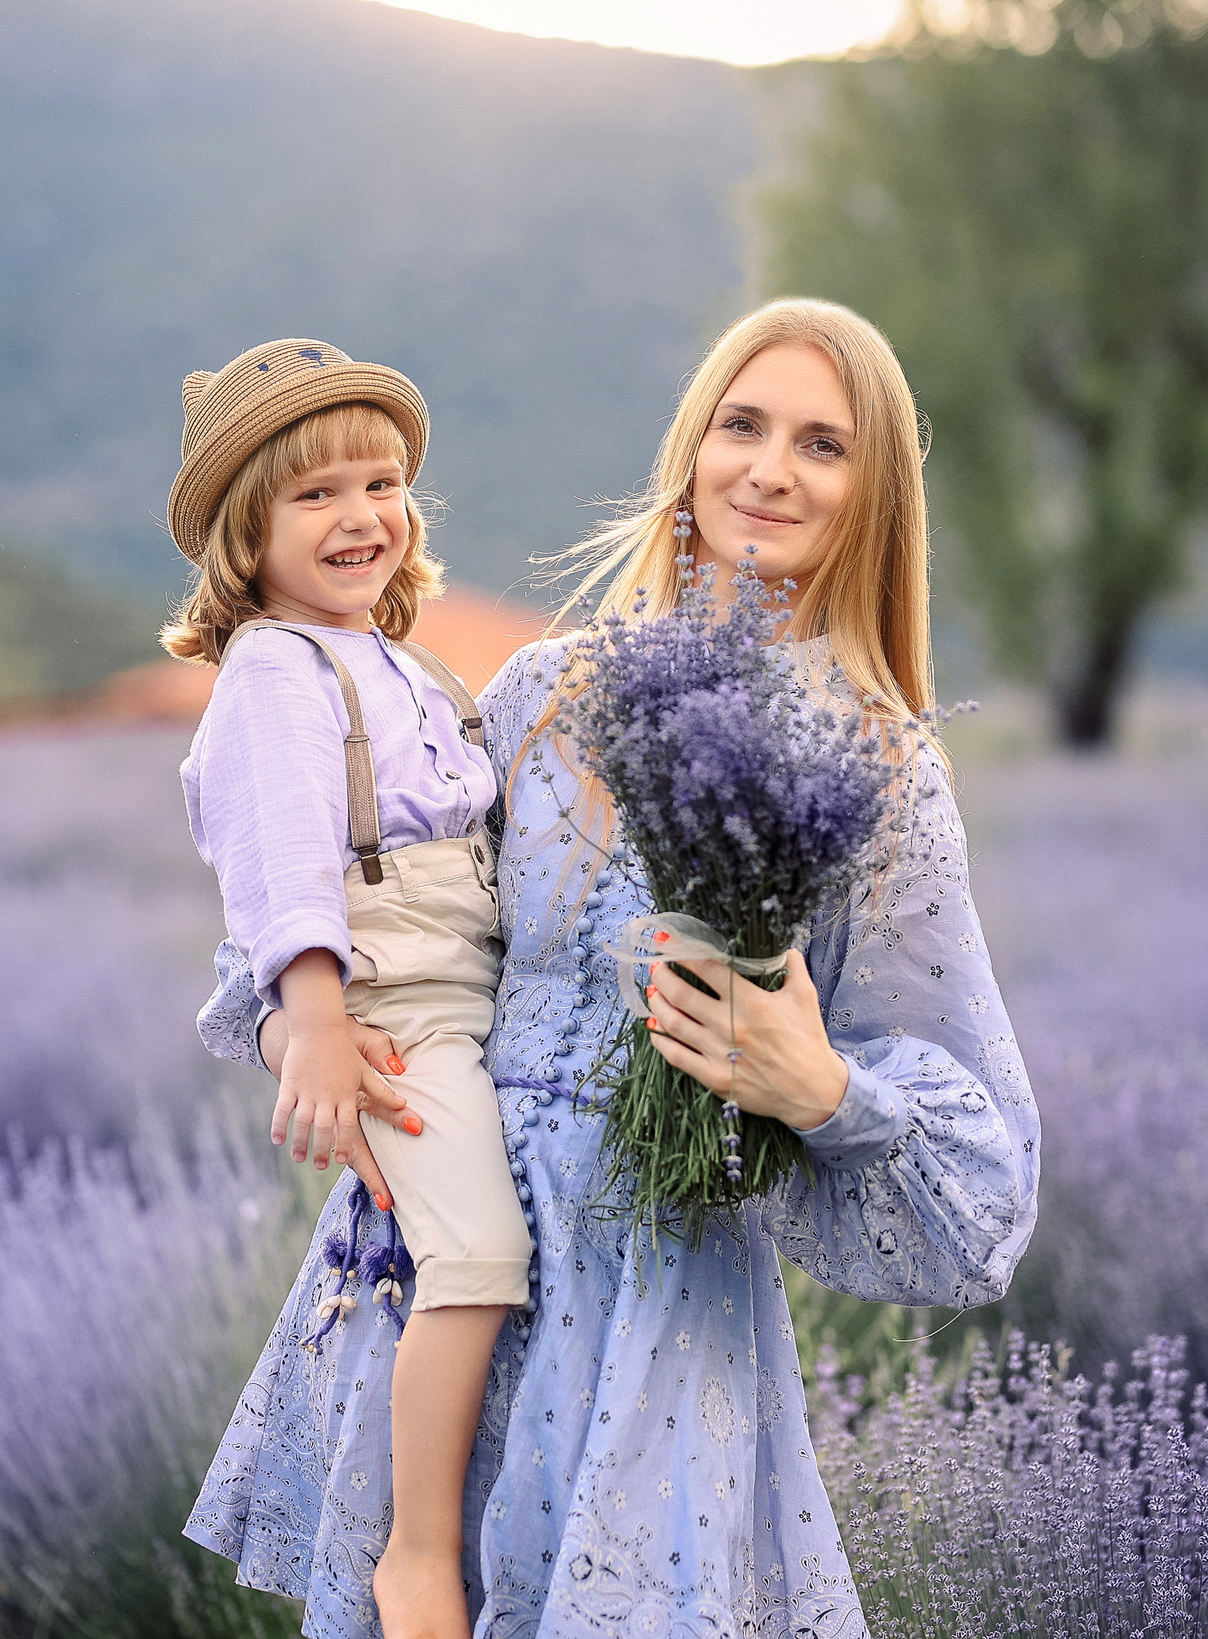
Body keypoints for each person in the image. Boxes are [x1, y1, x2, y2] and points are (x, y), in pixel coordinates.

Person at [188, 301, 1040, 1639]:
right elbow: (371, 887)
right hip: (445, 1259)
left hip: (653, 1310)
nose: (768, 468)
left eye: (823, 444)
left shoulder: (879, 769)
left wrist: (820, 1090)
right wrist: (307, 1022)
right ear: (690, 454)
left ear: (873, 496)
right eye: (740, 426)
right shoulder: (538, 691)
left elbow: (984, 1211)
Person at [167, 338, 535, 1639]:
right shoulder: (276, 668)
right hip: (396, 1013)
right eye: (314, 495)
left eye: (380, 484)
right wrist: (309, 1023)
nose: (361, 516)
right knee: (481, 1255)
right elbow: (280, 862)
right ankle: (417, 1554)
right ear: (243, 540)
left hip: (476, 993)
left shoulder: (398, 659)